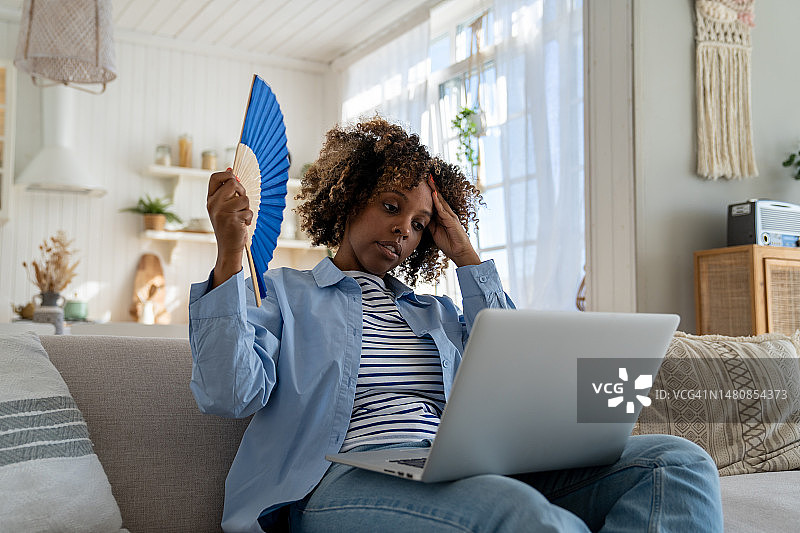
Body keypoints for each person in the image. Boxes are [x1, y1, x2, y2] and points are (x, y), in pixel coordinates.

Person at [189, 118, 724, 533]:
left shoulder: (436, 316)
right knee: (517, 514)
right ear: (349, 199)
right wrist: (231, 255)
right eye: (391, 206)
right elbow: (230, 393)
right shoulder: (284, 293)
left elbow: (519, 378)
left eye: (420, 224)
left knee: (676, 463)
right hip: (339, 481)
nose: (403, 228)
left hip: (456, 471)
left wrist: (465, 252)